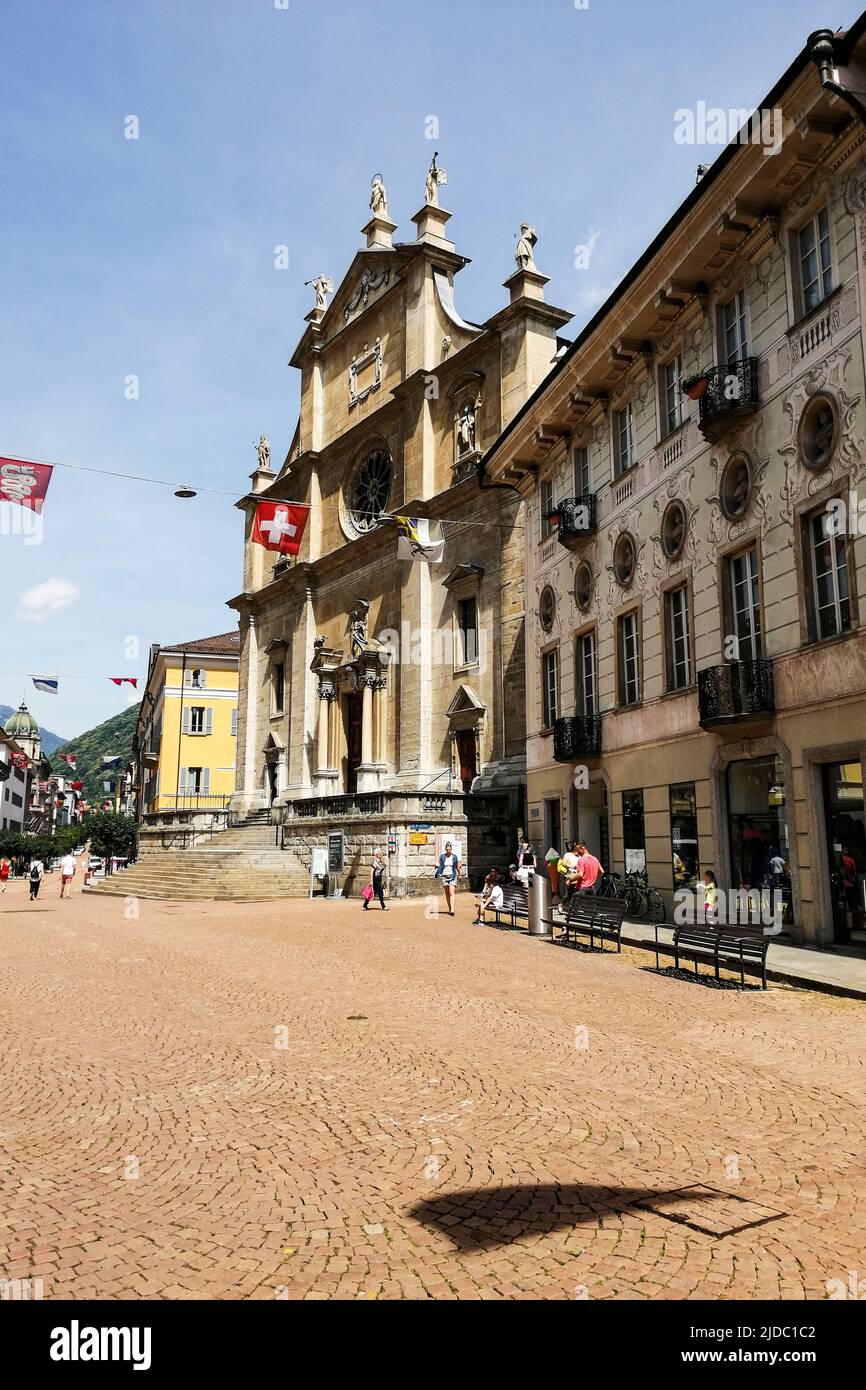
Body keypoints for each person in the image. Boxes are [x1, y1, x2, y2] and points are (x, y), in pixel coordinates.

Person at [435, 841, 461, 916]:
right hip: (444, 876)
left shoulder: (454, 856)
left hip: (452, 876)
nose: (448, 851)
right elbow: (439, 864)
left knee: (451, 893)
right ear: (445, 849)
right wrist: (436, 866)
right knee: (447, 894)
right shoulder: (442, 856)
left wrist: (460, 874)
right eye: (447, 849)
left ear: (451, 849)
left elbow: (457, 866)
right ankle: (449, 908)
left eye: (449, 849)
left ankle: (452, 909)